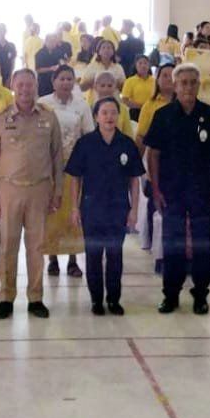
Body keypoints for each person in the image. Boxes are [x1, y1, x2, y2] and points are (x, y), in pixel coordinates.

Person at [144, 63, 210, 314]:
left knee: (203, 243)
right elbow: (153, 155)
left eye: (193, 82)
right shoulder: (163, 116)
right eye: (183, 82)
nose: (188, 87)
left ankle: (201, 294)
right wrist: (156, 189)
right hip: (171, 191)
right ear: (174, 84)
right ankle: (170, 295)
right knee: (173, 243)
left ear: (199, 84)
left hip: (202, 190)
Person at [0, 69, 63, 320]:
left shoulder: (49, 119)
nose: (26, 90)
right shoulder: (0, 119)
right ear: (12, 86)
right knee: (8, 245)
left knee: (37, 246)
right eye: (21, 85)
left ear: (37, 87)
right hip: (9, 189)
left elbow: (57, 157)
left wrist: (58, 190)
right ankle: (6, 298)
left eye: (30, 85)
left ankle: (35, 298)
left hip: (40, 188)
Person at [65, 97, 144, 315]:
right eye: (104, 113)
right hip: (91, 208)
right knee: (93, 255)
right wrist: (74, 207)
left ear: (118, 116)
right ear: (96, 117)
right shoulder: (85, 144)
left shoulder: (127, 144)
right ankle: (96, 300)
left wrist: (134, 210)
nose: (109, 117)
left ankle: (114, 299)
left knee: (115, 255)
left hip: (118, 208)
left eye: (113, 112)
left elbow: (134, 180)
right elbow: (75, 178)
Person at [38, 65, 94, 278]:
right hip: (48, 167)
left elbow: (88, 135)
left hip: (74, 167)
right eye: (61, 79)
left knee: (73, 212)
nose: (66, 83)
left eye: (69, 79)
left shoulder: (82, 105)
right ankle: (52, 258)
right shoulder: (43, 103)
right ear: (53, 81)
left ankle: (72, 260)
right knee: (51, 212)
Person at [121, 55, 155, 123]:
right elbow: (125, 100)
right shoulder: (130, 81)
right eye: (140, 63)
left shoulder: (155, 81)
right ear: (136, 66)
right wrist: (141, 107)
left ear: (149, 65)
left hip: (152, 112)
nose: (143, 65)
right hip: (136, 112)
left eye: (145, 63)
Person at [32, 32, 67, 97]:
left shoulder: (59, 52)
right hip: (44, 83)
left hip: (57, 82)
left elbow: (63, 63)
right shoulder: (40, 53)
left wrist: (62, 64)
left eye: (54, 41)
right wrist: (50, 69)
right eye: (51, 41)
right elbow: (38, 70)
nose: (53, 43)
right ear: (45, 41)